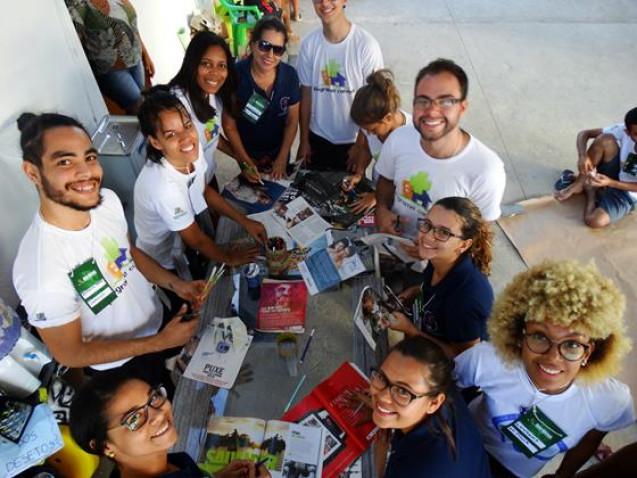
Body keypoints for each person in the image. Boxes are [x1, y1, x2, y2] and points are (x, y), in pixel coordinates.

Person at [12, 113, 201, 383]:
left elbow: (129, 254)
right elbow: (70, 354)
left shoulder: (105, 202)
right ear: (33, 172)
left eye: (89, 157)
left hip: (160, 321)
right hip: (122, 367)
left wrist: (175, 285)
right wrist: (156, 343)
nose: (86, 172)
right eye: (65, 161)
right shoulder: (39, 269)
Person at [454, 260, 635, 478]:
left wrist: (563, 474)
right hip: (461, 439)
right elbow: (442, 387)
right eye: (540, 336)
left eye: (572, 344)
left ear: (588, 352)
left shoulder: (609, 400)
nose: (552, 358)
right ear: (520, 335)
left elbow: (595, 432)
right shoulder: (487, 359)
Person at [134, 88, 268, 279]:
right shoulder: (163, 188)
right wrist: (229, 258)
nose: (186, 138)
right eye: (171, 135)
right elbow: (196, 239)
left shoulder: (192, 154)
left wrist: (244, 221)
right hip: (163, 259)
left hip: (185, 238)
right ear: (155, 142)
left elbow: (204, 190)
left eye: (187, 126)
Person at [375, 58, 506, 239]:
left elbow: (481, 233)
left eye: (445, 101)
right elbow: (386, 180)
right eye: (423, 101)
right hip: (391, 242)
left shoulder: (487, 170)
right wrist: (381, 209)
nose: (432, 111)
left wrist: (434, 250)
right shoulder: (399, 138)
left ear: (462, 107)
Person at [70, 370, 270, 477]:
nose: (158, 415)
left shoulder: (164, 463)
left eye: (154, 398)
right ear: (107, 447)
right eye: (134, 418)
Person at [369, 335, 491, 478]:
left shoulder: (421, 470)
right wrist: (382, 409)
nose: (383, 397)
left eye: (403, 391)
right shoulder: (439, 387)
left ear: (434, 403)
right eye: (382, 378)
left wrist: (379, 462)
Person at [388, 197, 494, 357]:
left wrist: (410, 330)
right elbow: (438, 291)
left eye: (444, 232)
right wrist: (416, 291)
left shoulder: (467, 299)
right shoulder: (441, 258)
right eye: (427, 225)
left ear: (463, 245)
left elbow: (463, 357)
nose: (428, 237)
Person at [296, 0, 383, 171]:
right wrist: (304, 140)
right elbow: (305, 95)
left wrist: (360, 145)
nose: (324, 3)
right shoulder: (309, 45)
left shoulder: (366, 46)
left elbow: (373, 102)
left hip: (352, 142)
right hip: (317, 139)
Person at [223, 16, 300, 181]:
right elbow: (229, 126)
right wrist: (244, 160)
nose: (270, 55)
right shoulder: (235, 76)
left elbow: (292, 120)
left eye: (278, 50)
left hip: (279, 152)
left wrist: (282, 158)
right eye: (264, 46)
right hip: (247, 152)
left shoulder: (290, 76)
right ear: (252, 44)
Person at [169, 31, 237, 187]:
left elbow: (211, 135)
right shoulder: (176, 108)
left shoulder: (212, 94)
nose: (215, 73)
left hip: (208, 176)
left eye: (221, 65)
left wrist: (241, 158)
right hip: (190, 189)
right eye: (206, 64)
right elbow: (187, 174)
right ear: (192, 63)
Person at [65, 0, 154, 114]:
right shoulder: (77, 5)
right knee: (141, 108)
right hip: (111, 71)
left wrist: (145, 54)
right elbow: (75, 46)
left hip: (135, 59)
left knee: (141, 106)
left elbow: (131, 24)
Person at [341, 69, 411, 214]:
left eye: (372, 129)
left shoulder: (413, 138)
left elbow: (407, 182)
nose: (369, 133)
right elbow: (366, 148)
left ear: (388, 118)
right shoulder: (371, 125)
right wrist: (359, 174)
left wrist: (377, 197)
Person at [554, 107, 637, 228]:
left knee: (594, 221)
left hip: (629, 193)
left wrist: (611, 183)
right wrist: (582, 156)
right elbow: (584, 134)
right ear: (627, 132)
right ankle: (579, 183)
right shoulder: (622, 129)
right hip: (616, 174)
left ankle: (591, 191)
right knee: (605, 139)